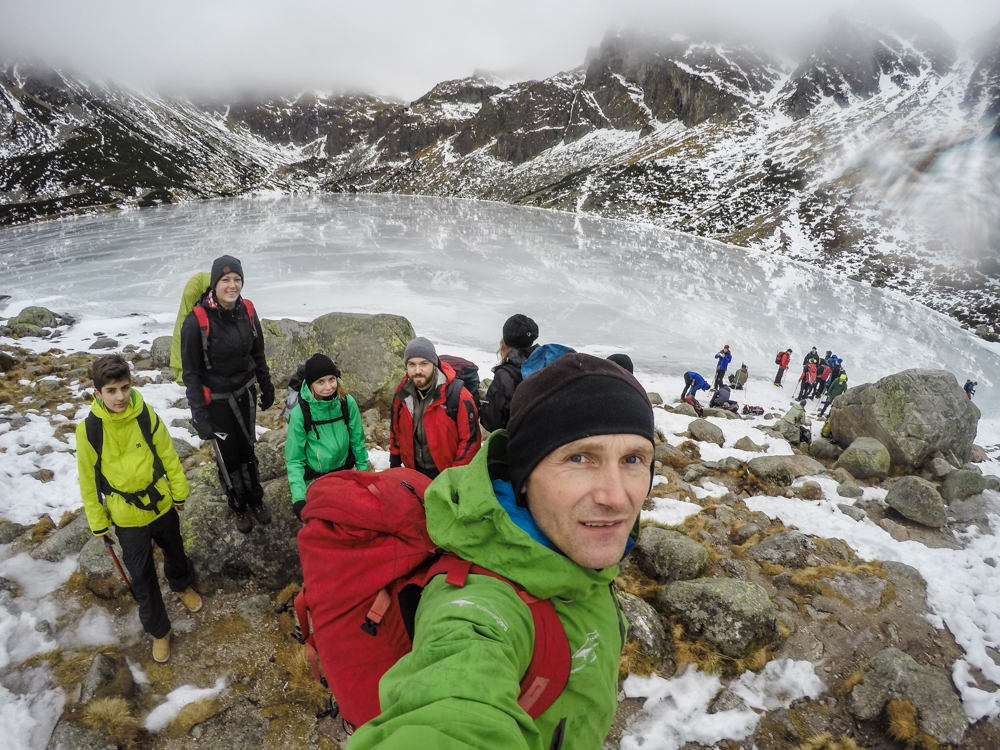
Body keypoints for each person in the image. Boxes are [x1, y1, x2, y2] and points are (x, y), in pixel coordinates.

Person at [347, 353, 654, 750]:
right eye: (579, 458)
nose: (617, 498)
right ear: (523, 477)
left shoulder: (577, 548)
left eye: (633, 459)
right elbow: (452, 712)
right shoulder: (478, 608)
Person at [76, 354, 201, 664]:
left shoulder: (146, 415)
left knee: (175, 551)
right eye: (111, 390)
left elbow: (168, 455)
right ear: (98, 393)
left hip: (160, 504)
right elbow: (88, 480)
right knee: (142, 579)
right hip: (126, 517)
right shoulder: (89, 431)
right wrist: (98, 522)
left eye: (124, 387)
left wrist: (179, 490)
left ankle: (181, 583)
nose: (120, 396)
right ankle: (160, 630)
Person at [180, 255, 275, 534]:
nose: (232, 285)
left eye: (237, 279)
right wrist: (199, 415)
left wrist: (266, 386)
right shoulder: (195, 322)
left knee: (247, 447)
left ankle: (256, 499)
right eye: (225, 280)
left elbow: (257, 352)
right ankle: (238, 505)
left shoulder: (247, 309)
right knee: (228, 455)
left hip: (245, 393)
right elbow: (192, 374)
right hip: (217, 403)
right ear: (214, 284)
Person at [285, 354, 369, 521]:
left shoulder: (347, 402)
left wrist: (364, 475)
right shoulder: (300, 414)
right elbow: (294, 460)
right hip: (315, 481)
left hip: (345, 476)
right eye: (320, 382)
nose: (329, 387)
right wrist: (299, 498)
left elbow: (357, 442)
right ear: (310, 385)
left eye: (332, 379)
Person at [389, 337, 481, 478]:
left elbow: (470, 442)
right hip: (414, 473)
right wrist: (394, 464)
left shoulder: (459, 395)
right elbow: (396, 431)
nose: (417, 370)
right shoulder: (402, 395)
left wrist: (452, 478)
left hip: (447, 475)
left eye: (424, 363)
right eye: (411, 364)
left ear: (434, 364)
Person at [480, 314, 539, 432]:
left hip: (519, 441)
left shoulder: (505, 374)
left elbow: (492, 423)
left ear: (505, 340)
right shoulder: (546, 362)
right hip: (547, 438)